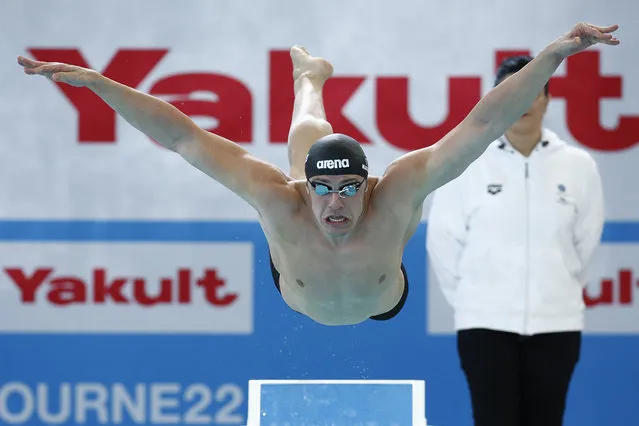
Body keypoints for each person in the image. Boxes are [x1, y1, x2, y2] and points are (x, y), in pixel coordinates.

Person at [17, 23, 619, 327]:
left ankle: (311, 79)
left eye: (348, 187)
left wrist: (552, 58)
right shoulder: (284, 197)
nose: (335, 201)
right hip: (296, 287)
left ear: (369, 184)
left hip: (385, 299)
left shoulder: (398, 189)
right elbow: (180, 135)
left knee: (310, 147)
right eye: (323, 187)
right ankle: (310, 80)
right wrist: (99, 84)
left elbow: (485, 123)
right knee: (298, 154)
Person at [426, 54, 606, 426]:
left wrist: (559, 291)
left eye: (532, 92)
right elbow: (442, 241)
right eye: (511, 92)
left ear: (547, 99)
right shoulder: (466, 163)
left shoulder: (578, 165)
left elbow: (586, 241)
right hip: (484, 326)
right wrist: (475, 304)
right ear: (496, 99)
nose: (522, 102)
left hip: (557, 325)